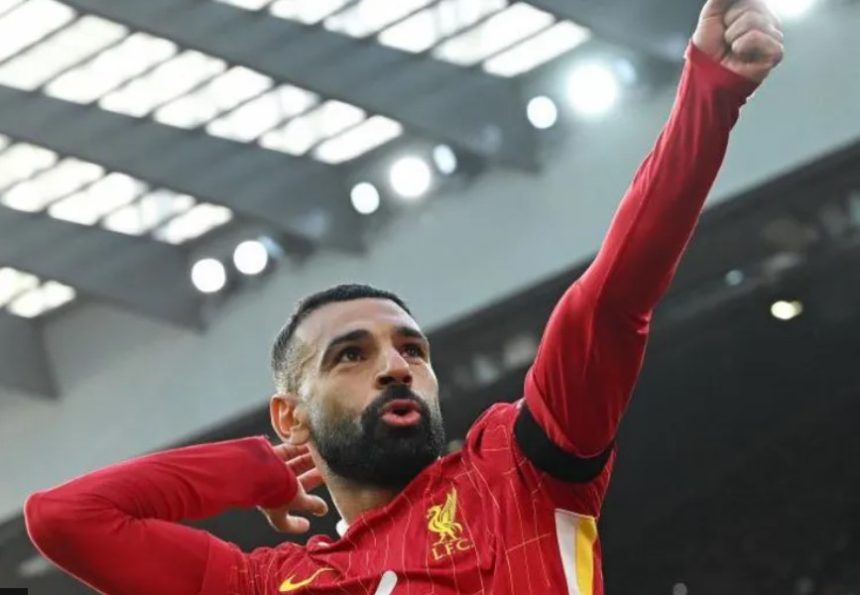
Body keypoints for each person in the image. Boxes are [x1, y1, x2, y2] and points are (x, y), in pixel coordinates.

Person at [23, 1, 783, 593]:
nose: (396, 366)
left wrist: (708, 98)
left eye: (411, 349)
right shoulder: (261, 582)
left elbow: (611, 302)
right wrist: (254, 469)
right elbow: (64, 518)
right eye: (351, 354)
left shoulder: (517, 472)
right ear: (291, 414)